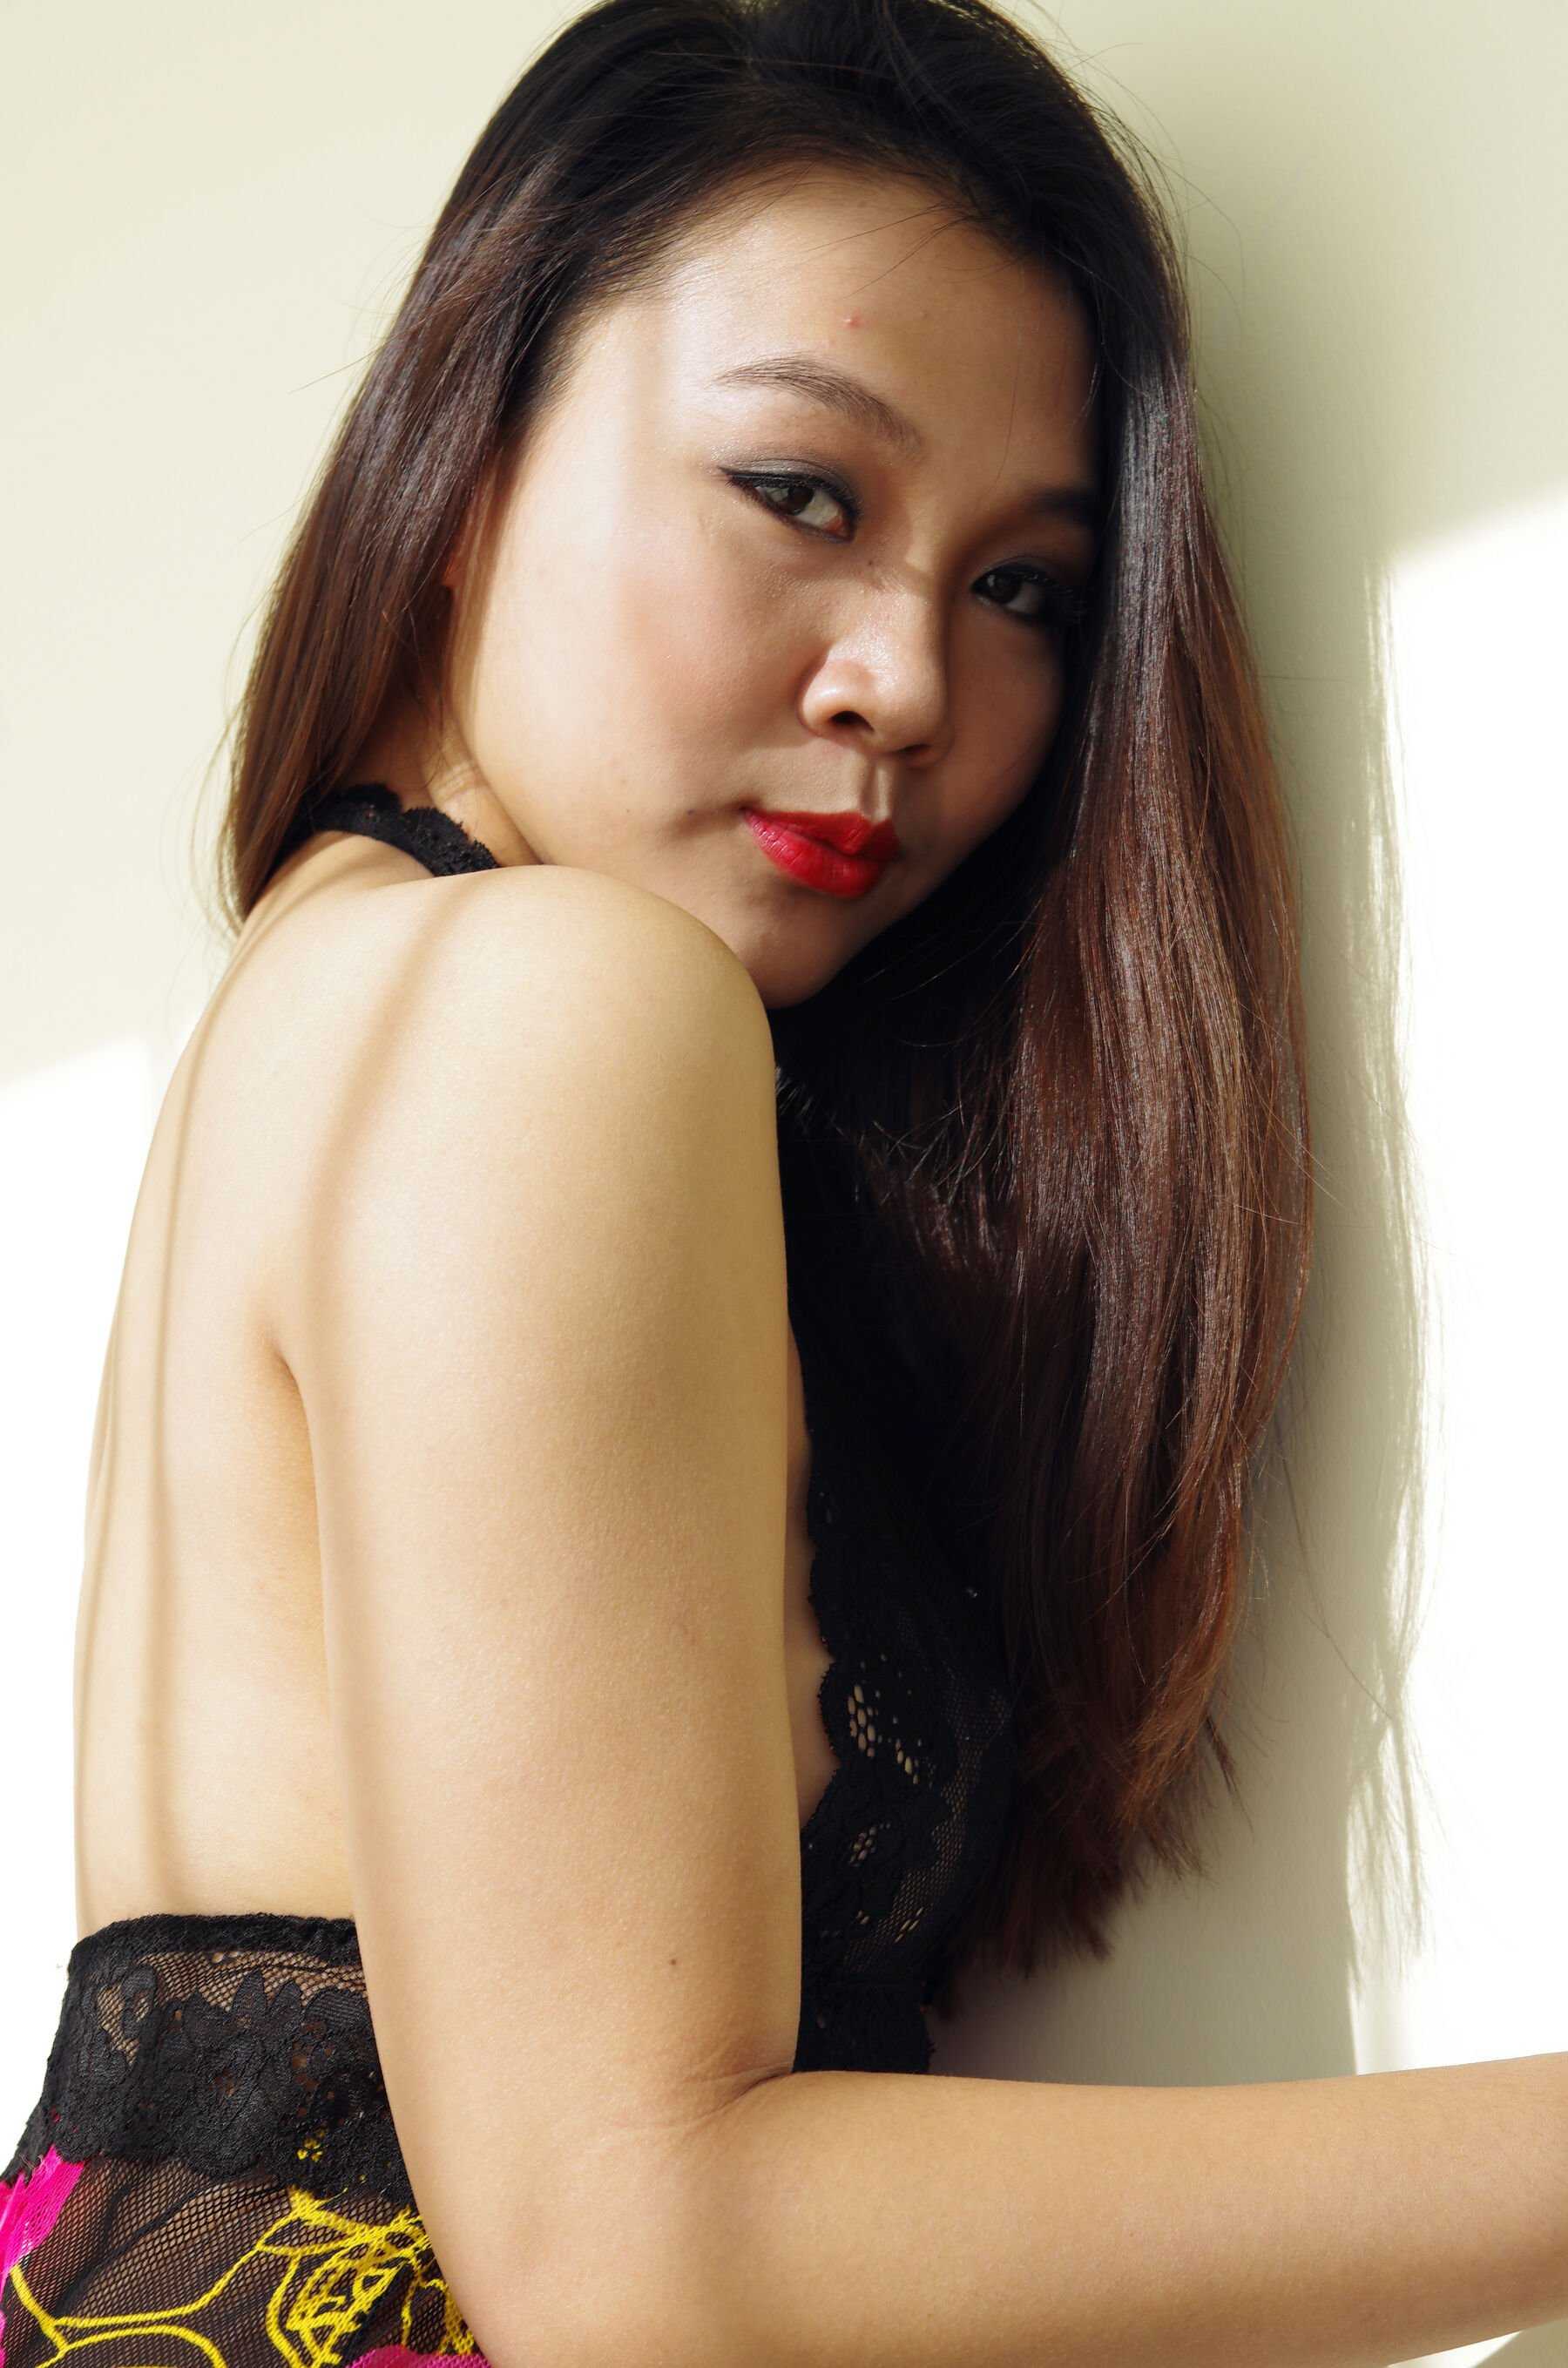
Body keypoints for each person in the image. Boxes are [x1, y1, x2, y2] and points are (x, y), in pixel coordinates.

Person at [4, 2, 1566, 2364]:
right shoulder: (543, 1005)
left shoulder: (329, 991)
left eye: (1024, 591)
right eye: (803, 494)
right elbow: (643, 2257)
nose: (907, 683)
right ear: (465, 455)